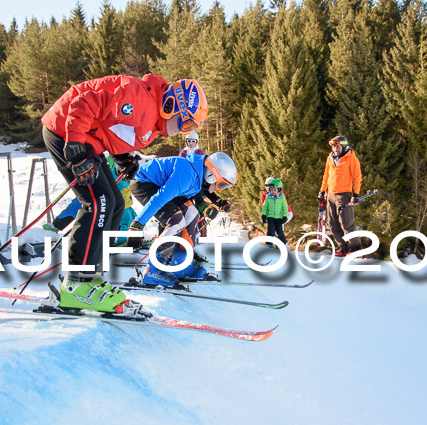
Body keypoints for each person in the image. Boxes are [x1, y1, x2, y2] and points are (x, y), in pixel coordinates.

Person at [41, 74, 208, 316]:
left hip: (88, 139)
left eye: (191, 128)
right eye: (187, 123)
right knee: (98, 203)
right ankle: (76, 283)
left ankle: (92, 278)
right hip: (65, 132)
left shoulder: (155, 123)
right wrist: (76, 150)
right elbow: (84, 103)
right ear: (171, 105)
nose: (184, 131)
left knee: (116, 204)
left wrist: (122, 158)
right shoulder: (140, 100)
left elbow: (111, 127)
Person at [129, 151, 238, 287]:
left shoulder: (197, 174)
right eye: (222, 185)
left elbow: (195, 196)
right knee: (177, 220)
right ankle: (152, 270)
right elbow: (160, 198)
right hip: (145, 184)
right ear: (211, 175)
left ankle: (180, 264)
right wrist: (138, 223)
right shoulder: (187, 175)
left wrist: (207, 207)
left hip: (162, 184)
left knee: (192, 213)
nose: (221, 189)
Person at [42, 154, 137, 243]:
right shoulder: (112, 160)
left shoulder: (128, 161)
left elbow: (121, 185)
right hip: (101, 192)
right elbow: (113, 180)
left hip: (122, 200)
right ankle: (56, 225)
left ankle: (127, 241)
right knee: (81, 205)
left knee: (129, 218)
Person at [317, 135, 362, 256]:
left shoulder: (351, 158)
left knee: (347, 223)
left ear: (343, 146)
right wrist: (322, 191)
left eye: (337, 146)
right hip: (330, 194)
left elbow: (357, 177)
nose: (335, 149)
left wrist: (355, 194)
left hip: (344, 194)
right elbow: (326, 175)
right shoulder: (330, 158)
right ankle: (343, 248)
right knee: (333, 223)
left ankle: (356, 249)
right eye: (334, 147)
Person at [261, 178, 289, 247]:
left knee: (280, 232)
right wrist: (263, 216)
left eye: (274, 190)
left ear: (279, 190)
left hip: (278, 218)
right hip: (270, 217)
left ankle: (283, 245)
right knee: (271, 231)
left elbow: (285, 208)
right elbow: (265, 207)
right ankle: (269, 244)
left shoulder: (282, 198)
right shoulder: (268, 197)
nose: (272, 191)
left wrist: (285, 216)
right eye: (271, 190)